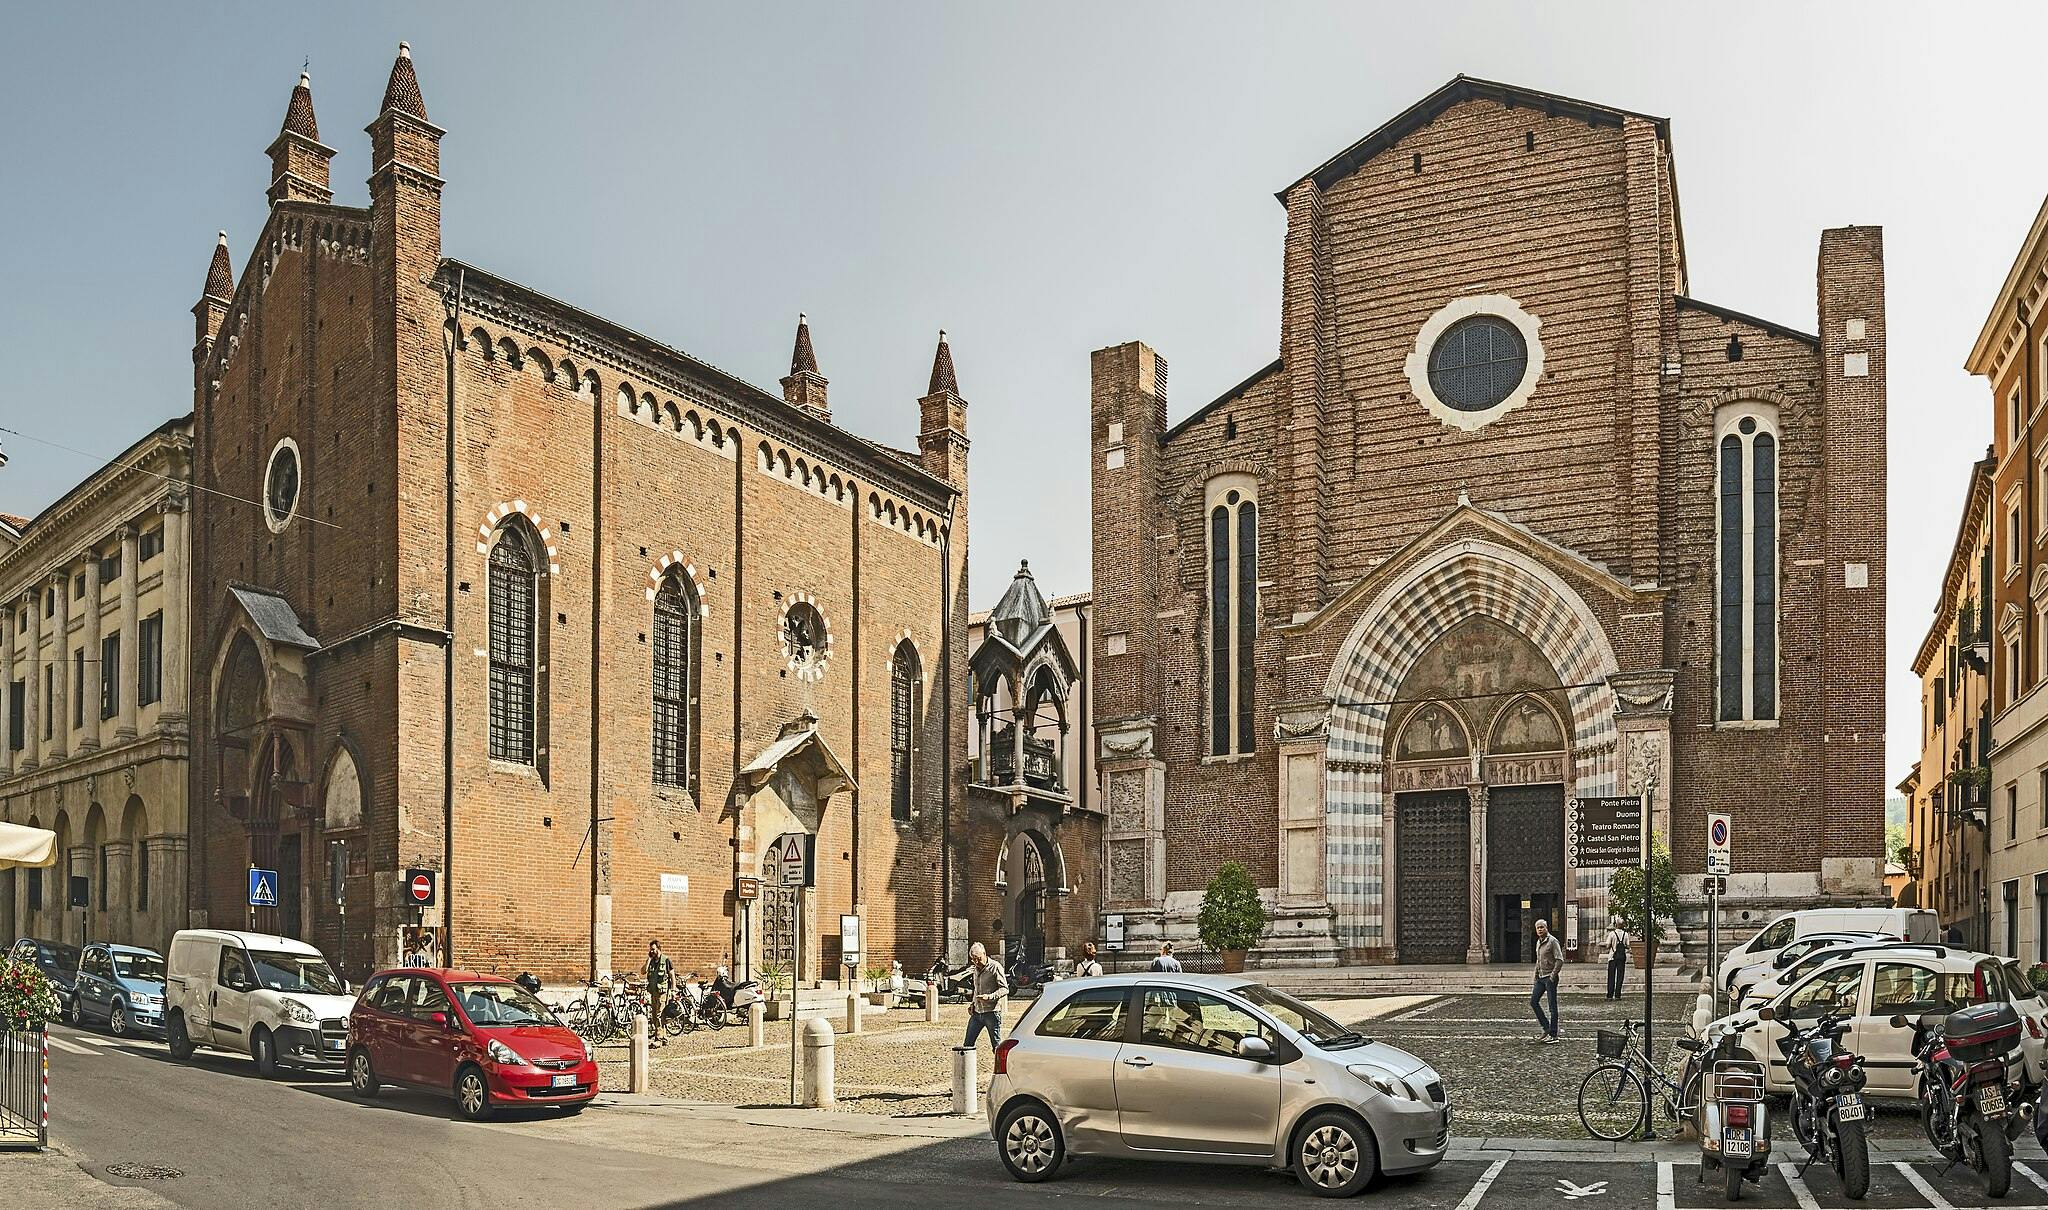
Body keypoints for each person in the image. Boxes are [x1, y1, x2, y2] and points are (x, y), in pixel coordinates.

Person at [964, 941, 1008, 1053]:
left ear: (984, 953)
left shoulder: (995, 967)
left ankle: (1001, 1069)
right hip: (977, 1013)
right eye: (973, 959)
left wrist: (990, 997)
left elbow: (1004, 989)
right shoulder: (975, 969)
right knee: (967, 1045)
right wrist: (972, 1004)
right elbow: (976, 989)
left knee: (996, 1047)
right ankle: (966, 1070)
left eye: (978, 958)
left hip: (991, 1013)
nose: (976, 962)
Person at [1530, 917, 1564, 1043]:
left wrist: (1553, 976)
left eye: (1541, 927)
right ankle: (1546, 1027)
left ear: (1546, 928)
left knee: (1552, 1007)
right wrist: (1535, 976)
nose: (1539, 929)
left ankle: (1554, 1034)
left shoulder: (1553, 941)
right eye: (1537, 928)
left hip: (1549, 978)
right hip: (1540, 977)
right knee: (1533, 1002)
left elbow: (1560, 959)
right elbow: (1538, 961)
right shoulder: (1538, 942)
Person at [644, 939, 675, 1048]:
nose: (651, 951)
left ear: (658, 949)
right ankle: (664, 1038)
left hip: (663, 992)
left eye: (653, 949)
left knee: (659, 1015)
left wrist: (673, 990)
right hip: (653, 992)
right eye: (650, 950)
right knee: (655, 1016)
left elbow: (672, 975)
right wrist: (648, 961)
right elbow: (643, 971)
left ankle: (658, 1039)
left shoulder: (666, 960)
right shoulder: (651, 961)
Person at [1602, 922, 1628, 1000]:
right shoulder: (1625, 934)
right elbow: (1628, 946)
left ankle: (1610, 995)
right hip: (1621, 957)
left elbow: (1607, 945)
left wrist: (1613, 945)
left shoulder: (1612, 934)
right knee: (1620, 976)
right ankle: (1617, 995)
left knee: (1611, 976)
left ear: (1616, 925)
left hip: (1612, 957)